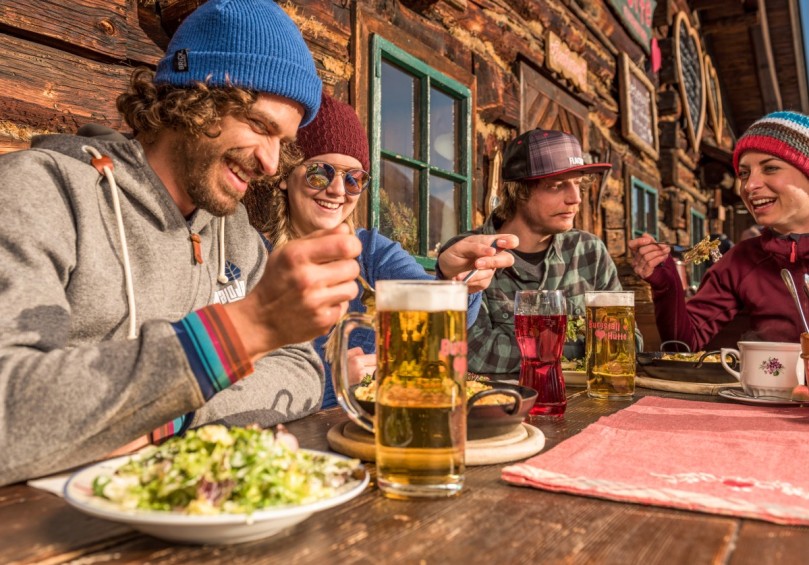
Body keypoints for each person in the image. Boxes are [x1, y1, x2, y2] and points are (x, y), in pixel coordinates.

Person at [0, 0, 363, 486]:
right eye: (259, 126)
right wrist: (240, 334)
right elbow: (9, 409)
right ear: (193, 99)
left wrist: (171, 416)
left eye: (283, 141)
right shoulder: (43, 192)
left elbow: (299, 367)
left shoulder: (235, 236)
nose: (272, 164)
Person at [244, 92, 518, 407]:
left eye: (353, 179)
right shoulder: (249, 255)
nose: (336, 190)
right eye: (320, 173)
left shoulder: (371, 252)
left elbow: (433, 319)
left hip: (371, 436)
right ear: (285, 175)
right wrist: (330, 385)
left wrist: (455, 281)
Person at [439, 128, 625, 375]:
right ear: (519, 191)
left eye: (578, 184)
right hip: (504, 405)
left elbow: (625, 339)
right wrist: (578, 348)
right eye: (557, 186)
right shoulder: (470, 252)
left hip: (588, 402)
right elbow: (477, 353)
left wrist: (532, 347)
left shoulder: (589, 250)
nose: (575, 198)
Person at [628, 110, 809, 350]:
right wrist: (667, 284)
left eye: (770, 168)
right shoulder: (742, 260)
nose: (749, 185)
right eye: (744, 173)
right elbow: (682, 345)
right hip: (773, 388)